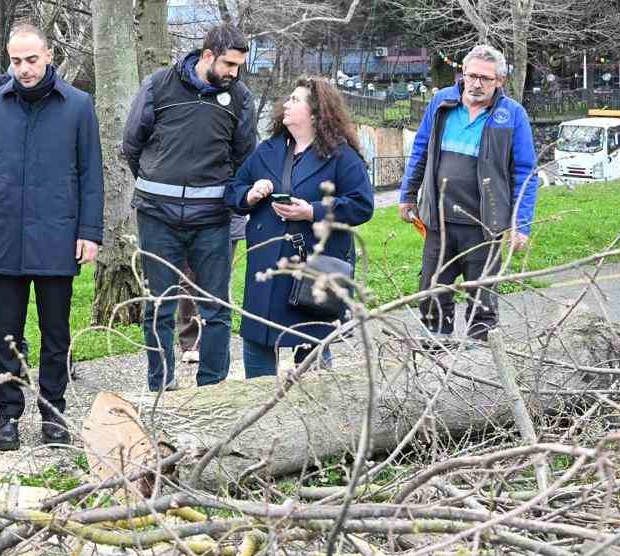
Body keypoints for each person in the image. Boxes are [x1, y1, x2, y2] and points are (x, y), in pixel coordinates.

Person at [0, 23, 104, 452]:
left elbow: (90, 175)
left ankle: (54, 412)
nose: (23, 69)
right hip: (4, 234)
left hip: (58, 235)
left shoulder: (78, 105)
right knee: (6, 332)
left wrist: (89, 232)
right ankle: (7, 415)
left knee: (55, 332)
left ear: (48, 56)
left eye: (31, 60)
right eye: (16, 61)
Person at [123, 23, 257, 392]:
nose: (234, 73)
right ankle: (161, 388)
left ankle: (212, 390)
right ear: (208, 55)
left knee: (215, 307)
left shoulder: (241, 99)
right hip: (157, 216)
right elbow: (132, 143)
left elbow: (244, 156)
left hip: (212, 221)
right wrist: (159, 182)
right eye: (229, 64)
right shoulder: (158, 85)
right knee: (159, 307)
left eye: (239, 66)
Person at [229, 78, 375, 378]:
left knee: (313, 345)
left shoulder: (341, 156)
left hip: (314, 266)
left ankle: (318, 412)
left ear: (315, 112)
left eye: (295, 100)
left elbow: (362, 205)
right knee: (258, 341)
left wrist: (313, 211)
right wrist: (251, 193)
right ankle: (261, 409)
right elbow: (234, 190)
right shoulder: (268, 150)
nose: (286, 104)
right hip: (267, 263)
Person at [399, 44, 538, 342]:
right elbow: (420, 150)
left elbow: (526, 172)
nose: (476, 83)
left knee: (482, 300)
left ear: (499, 81)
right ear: (462, 73)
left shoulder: (512, 115)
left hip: (484, 225)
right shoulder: (441, 104)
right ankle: (436, 352)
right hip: (439, 221)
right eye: (471, 75)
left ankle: (479, 360)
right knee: (432, 290)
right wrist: (407, 195)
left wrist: (521, 225)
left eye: (485, 78)